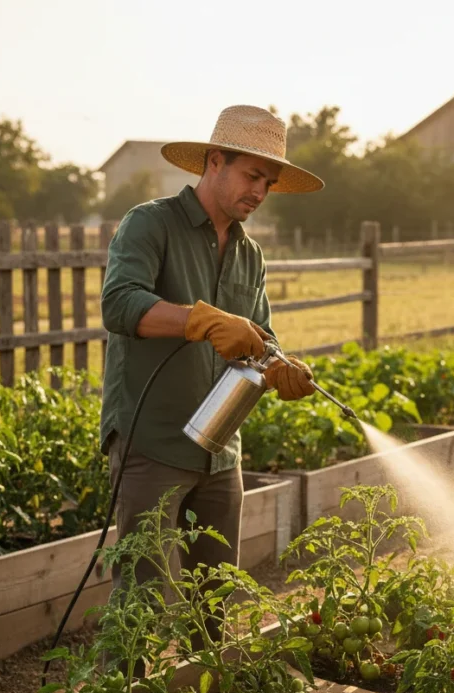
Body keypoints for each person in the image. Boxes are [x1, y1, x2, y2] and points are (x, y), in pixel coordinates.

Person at [100, 105, 323, 606]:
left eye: (268, 182)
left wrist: (279, 365)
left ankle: (216, 686)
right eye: (252, 176)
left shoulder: (250, 253)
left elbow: (260, 336)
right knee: (141, 600)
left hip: (220, 447)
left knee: (217, 599)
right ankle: (125, 684)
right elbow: (119, 304)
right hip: (151, 439)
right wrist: (202, 321)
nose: (260, 193)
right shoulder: (150, 224)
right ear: (215, 161)